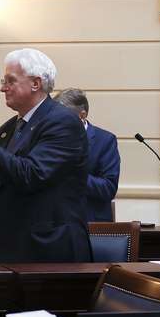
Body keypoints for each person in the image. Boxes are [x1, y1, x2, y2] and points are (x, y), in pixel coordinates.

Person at [0, 50, 91, 263]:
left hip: (48, 254)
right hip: (6, 251)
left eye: (10, 81)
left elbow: (30, 174)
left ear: (35, 84)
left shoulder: (62, 122)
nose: (3, 88)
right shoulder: (10, 128)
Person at [55, 87, 120, 222]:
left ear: (82, 115)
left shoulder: (105, 140)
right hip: (55, 222)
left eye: (62, 116)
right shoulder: (50, 138)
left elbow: (108, 188)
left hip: (89, 223)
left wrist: (72, 175)